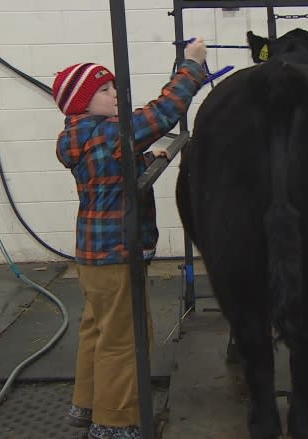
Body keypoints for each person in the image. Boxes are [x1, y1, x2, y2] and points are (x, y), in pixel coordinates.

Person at [53, 38, 207, 439]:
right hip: (118, 253)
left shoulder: (83, 137)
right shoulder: (109, 135)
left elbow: (112, 169)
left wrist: (143, 160)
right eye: (104, 90)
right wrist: (191, 66)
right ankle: (116, 423)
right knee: (125, 338)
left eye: (115, 86)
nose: (115, 93)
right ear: (81, 102)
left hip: (92, 255)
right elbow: (165, 112)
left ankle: (85, 404)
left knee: (98, 328)